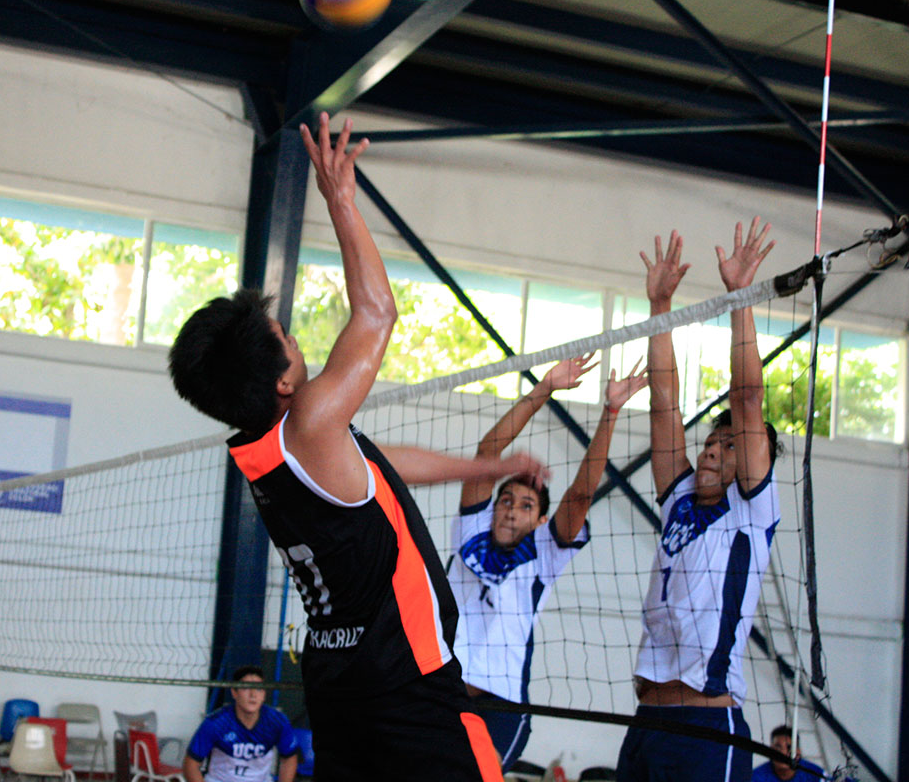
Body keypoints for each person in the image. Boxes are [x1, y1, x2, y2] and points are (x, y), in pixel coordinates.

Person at [169, 113, 544, 782]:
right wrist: (340, 195)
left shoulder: (274, 453)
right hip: (407, 686)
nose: (295, 338)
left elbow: (386, 468)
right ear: (283, 380)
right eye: (284, 334)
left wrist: (489, 466)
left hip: (342, 689)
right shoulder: (309, 420)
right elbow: (376, 313)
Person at [617, 220, 783, 782]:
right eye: (712, 439)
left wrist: (741, 296)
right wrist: (659, 305)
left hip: (707, 728)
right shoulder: (681, 495)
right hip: (646, 719)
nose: (714, 449)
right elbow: (665, 405)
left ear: (753, 461)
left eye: (730, 444)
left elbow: (748, 396)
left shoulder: (751, 510)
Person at [450, 355, 647, 770]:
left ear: (540, 519)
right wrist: (545, 388)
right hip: (443, 691)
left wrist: (610, 413)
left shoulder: (545, 551)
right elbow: (488, 451)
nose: (510, 510)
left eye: (525, 505)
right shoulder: (470, 529)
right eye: (506, 501)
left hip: (500, 706)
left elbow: (579, 494)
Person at [183, 666, 298, 782]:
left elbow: (289, 758)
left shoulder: (277, 721)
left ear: (264, 694)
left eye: (258, 689)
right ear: (234, 692)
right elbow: (191, 765)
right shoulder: (215, 723)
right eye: (246, 688)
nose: (253, 695)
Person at [751, 725, 825, 782]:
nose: (783, 752)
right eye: (778, 747)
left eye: (789, 748)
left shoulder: (816, 774)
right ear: (770, 750)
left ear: (798, 752)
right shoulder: (756, 777)